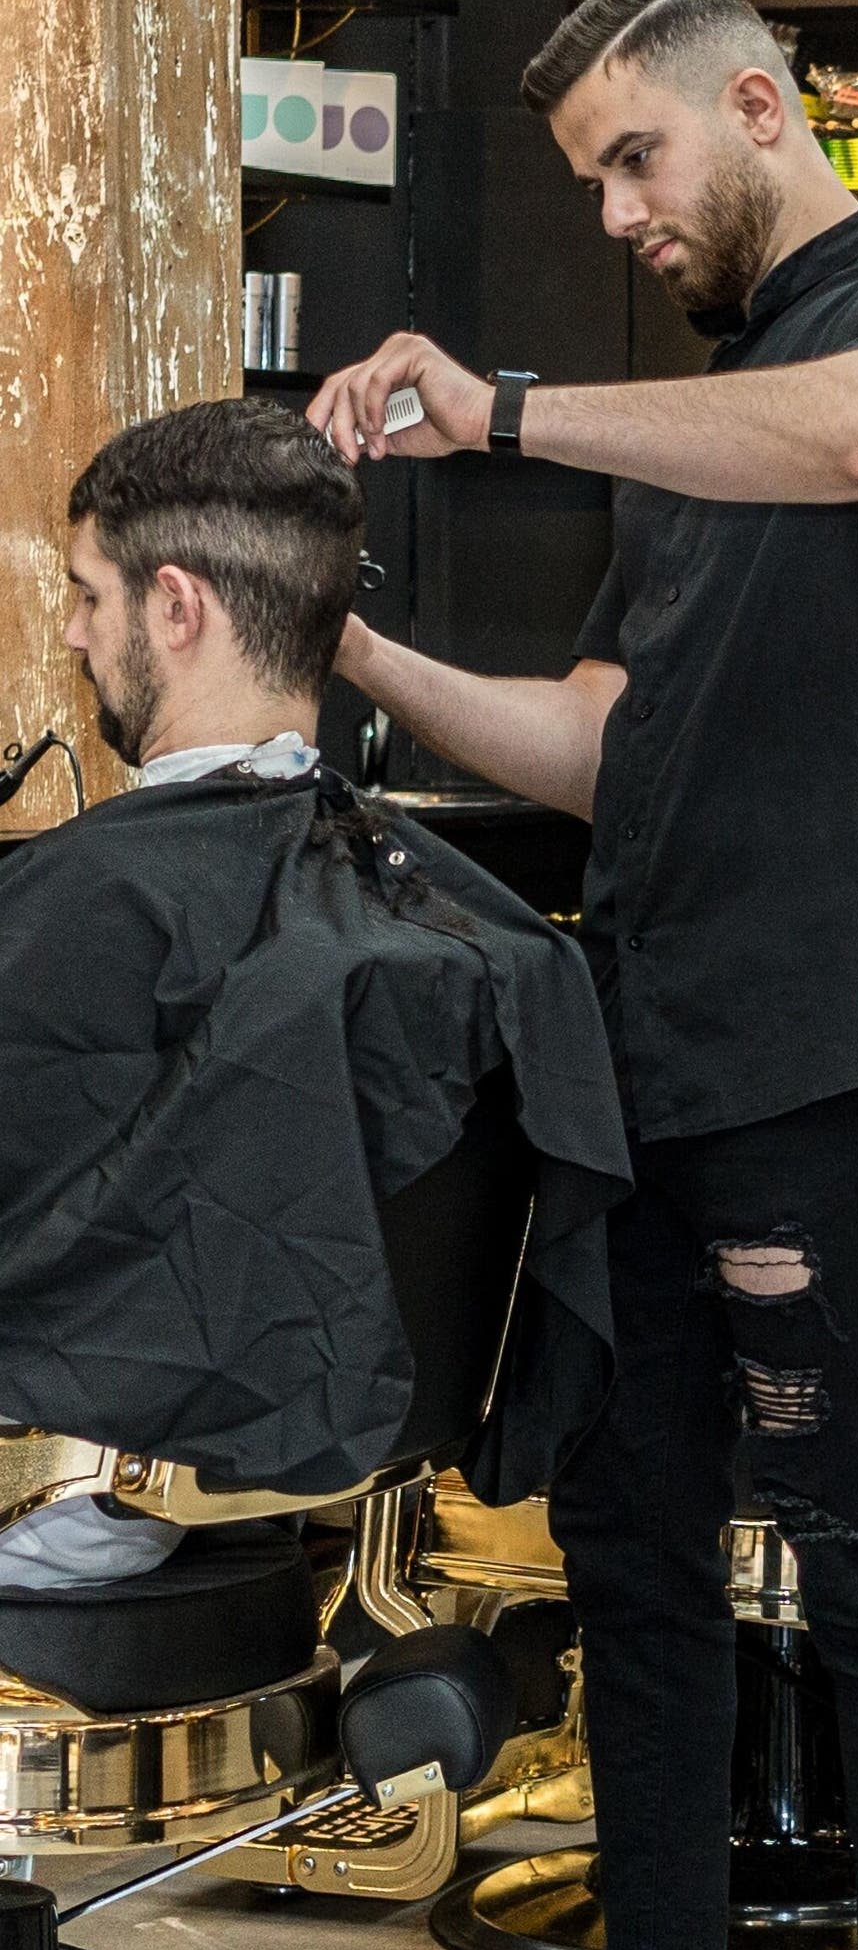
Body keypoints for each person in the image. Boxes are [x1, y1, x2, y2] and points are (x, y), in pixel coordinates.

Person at [306, 0, 858, 1950]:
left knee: (856, 1556)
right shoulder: (704, 420)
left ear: (759, 105)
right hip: (649, 1042)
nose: (620, 212)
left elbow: (857, 447)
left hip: (844, 1041)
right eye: (595, 184)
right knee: (626, 1551)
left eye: (638, 160)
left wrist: (510, 408)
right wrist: (331, 634)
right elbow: (599, 754)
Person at [0, 400, 624, 1580]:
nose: (76, 635)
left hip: (129, 1496)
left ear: (176, 606)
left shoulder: (95, 904)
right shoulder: (474, 931)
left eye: (87, 594)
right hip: (345, 1482)